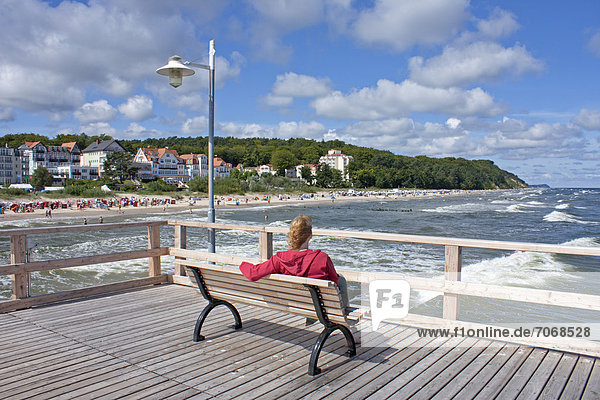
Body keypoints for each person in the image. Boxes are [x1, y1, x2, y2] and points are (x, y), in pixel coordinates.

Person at [239, 214, 349, 309]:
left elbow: (253, 274)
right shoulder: (322, 258)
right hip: (320, 308)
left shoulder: (279, 259)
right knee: (341, 280)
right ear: (310, 236)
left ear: (292, 235)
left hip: (294, 304)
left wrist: (242, 264)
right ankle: (344, 312)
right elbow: (335, 281)